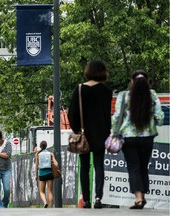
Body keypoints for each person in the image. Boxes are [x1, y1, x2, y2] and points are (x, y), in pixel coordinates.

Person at [111, 70, 164, 209]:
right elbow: (160, 118)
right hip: (147, 137)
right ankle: (143, 197)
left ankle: (139, 199)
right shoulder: (152, 95)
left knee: (133, 167)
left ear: (132, 81)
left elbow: (116, 117)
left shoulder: (124, 96)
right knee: (143, 167)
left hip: (128, 138)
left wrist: (113, 132)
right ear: (147, 82)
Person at [68, 60, 112, 208]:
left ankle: (86, 200)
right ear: (103, 72)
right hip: (100, 134)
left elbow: (72, 113)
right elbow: (107, 115)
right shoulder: (106, 91)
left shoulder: (79, 89)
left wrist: (77, 130)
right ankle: (99, 198)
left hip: (83, 134)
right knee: (99, 165)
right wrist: (107, 132)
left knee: (84, 166)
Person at [35, 140, 58, 208]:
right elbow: (56, 164)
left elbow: (36, 166)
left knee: (41, 191)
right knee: (50, 191)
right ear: (46, 146)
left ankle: (45, 203)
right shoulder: (50, 154)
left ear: (40, 146)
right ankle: (50, 207)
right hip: (50, 173)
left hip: (42, 174)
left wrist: (36, 175)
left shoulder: (37, 154)